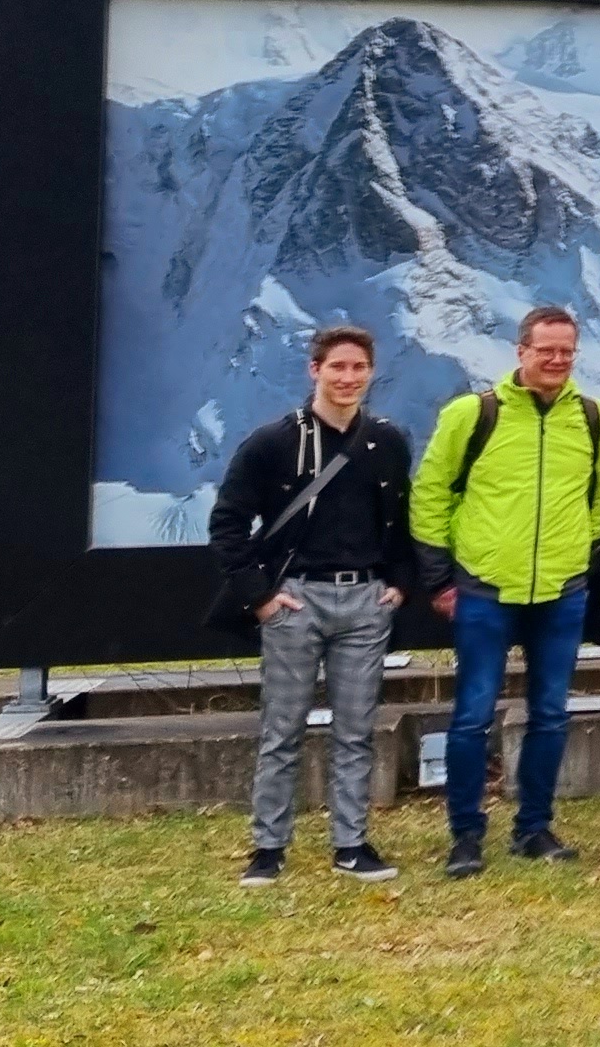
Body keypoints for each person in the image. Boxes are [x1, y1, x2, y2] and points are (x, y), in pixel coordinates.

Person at [407, 304, 600, 877]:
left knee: (550, 714)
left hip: (559, 591)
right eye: (545, 349)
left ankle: (534, 829)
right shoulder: (472, 415)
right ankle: (466, 837)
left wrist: (576, 563)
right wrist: (440, 580)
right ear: (520, 351)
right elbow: (429, 497)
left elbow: (597, 502)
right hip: (485, 590)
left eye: (566, 351)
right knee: (472, 716)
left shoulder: (594, 418)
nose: (556, 360)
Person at [212, 324, 419, 887]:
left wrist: (398, 583)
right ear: (315, 371)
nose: (348, 378)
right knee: (282, 728)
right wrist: (260, 597)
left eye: (358, 368)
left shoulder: (388, 442)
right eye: (337, 368)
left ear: (371, 372)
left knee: (357, 730)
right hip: (295, 601)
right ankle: (268, 848)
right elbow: (227, 523)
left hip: (365, 601)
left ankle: (351, 844)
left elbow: (404, 522)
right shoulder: (272, 443)